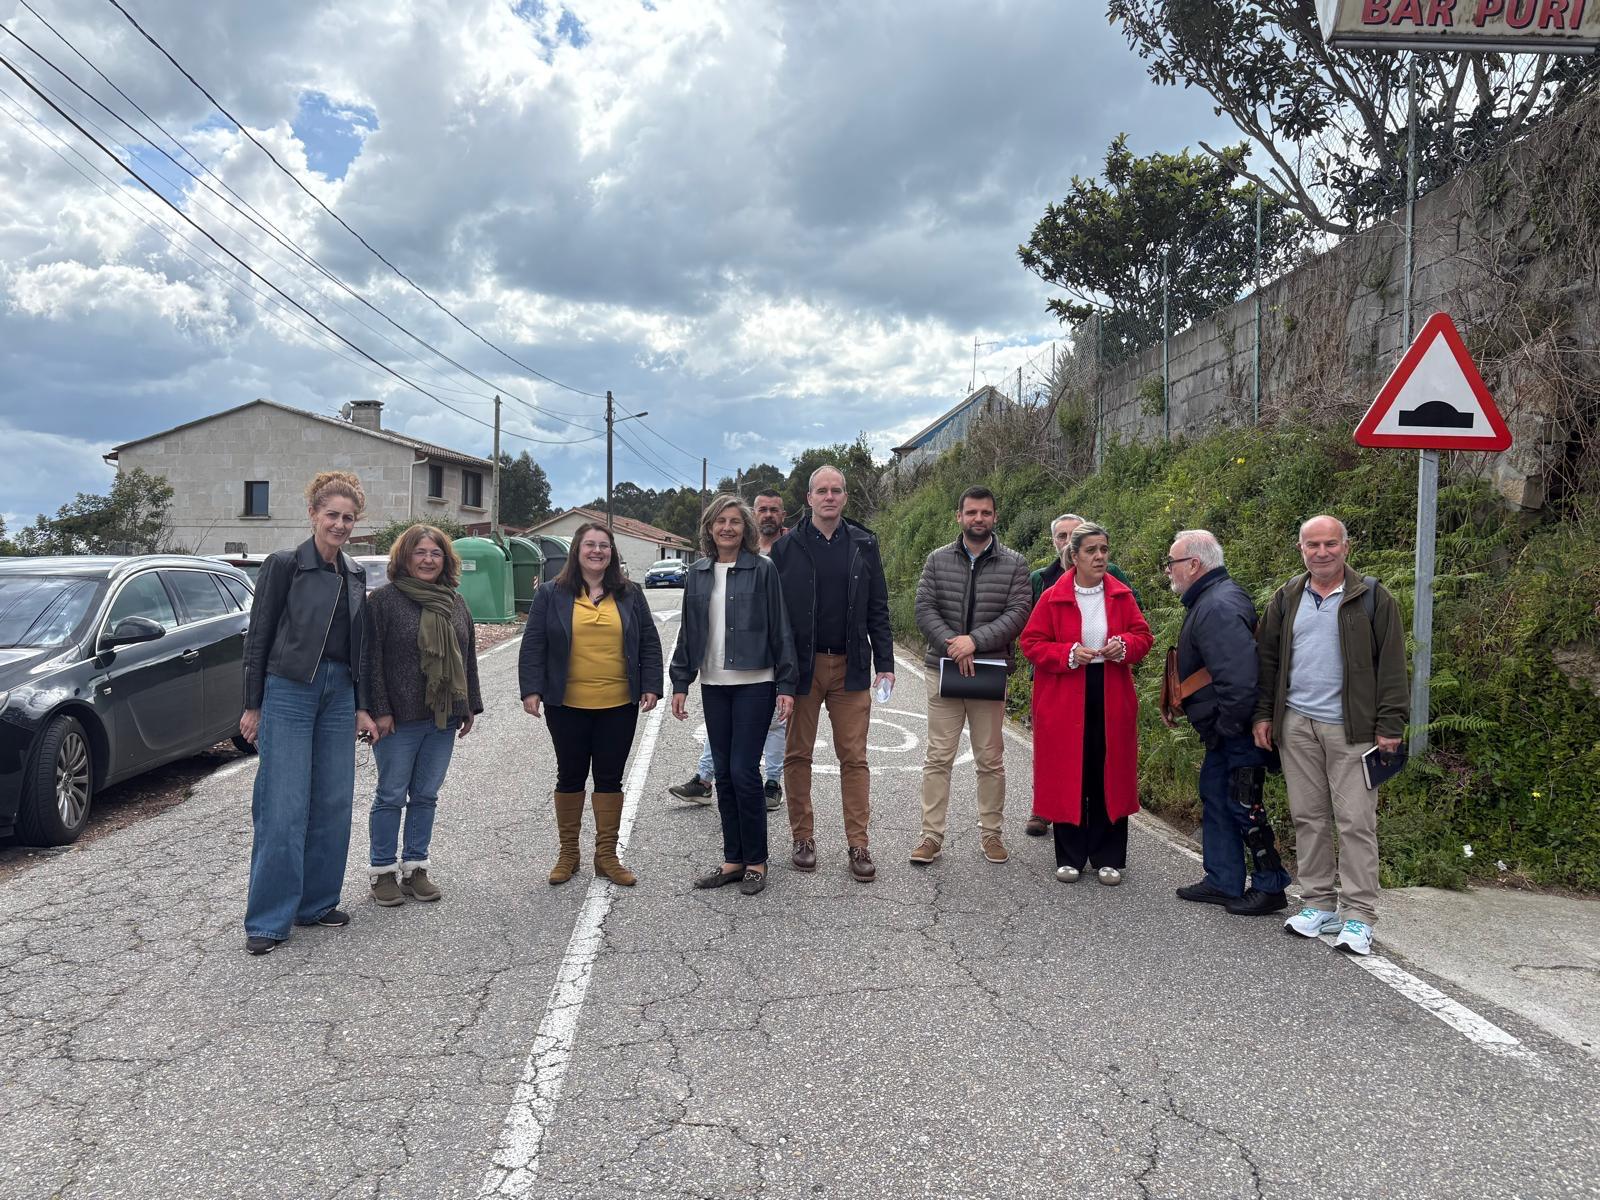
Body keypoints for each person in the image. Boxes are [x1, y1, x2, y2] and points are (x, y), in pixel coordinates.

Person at [1253, 515, 1408, 956]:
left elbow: (1393, 667)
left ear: (1346, 547)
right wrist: (1264, 716)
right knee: (1308, 817)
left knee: (1356, 822)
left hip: (1354, 729)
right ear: (1301, 549)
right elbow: (1268, 664)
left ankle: (1359, 915)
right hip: (1297, 725)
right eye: (1313, 545)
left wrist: (1390, 726)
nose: (1322, 552)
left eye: (1330, 544)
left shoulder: (1374, 599)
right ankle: (1318, 903)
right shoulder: (1287, 598)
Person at [240, 470, 376, 956]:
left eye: (348, 518)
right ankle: (269, 918)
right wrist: (252, 705)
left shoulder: (356, 574)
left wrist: (363, 706)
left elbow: (359, 649)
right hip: (289, 690)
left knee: (334, 801)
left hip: (340, 693)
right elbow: (258, 639)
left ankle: (317, 903)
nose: (340, 524)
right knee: (283, 805)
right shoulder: (284, 566)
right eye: (332, 515)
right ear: (313, 515)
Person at [769, 465, 895, 882]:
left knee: (854, 759)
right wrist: (778, 672)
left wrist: (886, 665)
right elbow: (777, 617)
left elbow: (878, 606)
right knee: (797, 755)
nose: (829, 497)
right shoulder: (786, 550)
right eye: (821, 490)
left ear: (844, 497)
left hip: (850, 667)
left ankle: (858, 844)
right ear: (808, 499)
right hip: (801, 669)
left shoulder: (864, 543)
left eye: (836, 490)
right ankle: (802, 838)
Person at [520, 521, 663, 888]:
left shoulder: (630, 593)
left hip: (618, 703)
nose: (597, 551)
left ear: (612, 553)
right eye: (590, 545)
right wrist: (531, 689)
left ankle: (607, 856)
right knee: (569, 775)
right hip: (566, 704)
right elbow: (534, 643)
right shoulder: (552, 593)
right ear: (577, 551)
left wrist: (651, 684)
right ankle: (568, 854)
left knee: (609, 777)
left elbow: (648, 639)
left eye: (604, 546)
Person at [670, 495, 798, 895]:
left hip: (755, 683)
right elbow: (689, 631)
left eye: (735, 522)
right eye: (720, 521)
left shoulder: (763, 569)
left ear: (746, 528)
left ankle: (757, 860)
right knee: (723, 774)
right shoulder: (698, 572)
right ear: (709, 528)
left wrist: (787, 685)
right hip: (714, 684)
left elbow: (781, 628)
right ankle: (733, 860)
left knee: (744, 772)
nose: (727, 527)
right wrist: (680, 682)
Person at [1164, 530, 1291, 916]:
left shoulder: (1217, 606)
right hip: (1226, 730)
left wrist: (1228, 727)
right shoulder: (1212, 599)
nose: (1169, 571)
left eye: (1172, 564)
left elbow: (1238, 679)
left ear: (1194, 565)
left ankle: (1271, 886)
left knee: (1243, 804)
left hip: (1235, 730)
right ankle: (1223, 880)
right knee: (1217, 796)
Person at [1020, 522, 1152, 886]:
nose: (1099, 557)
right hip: (1065, 694)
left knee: (1106, 771)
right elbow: (1031, 643)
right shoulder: (1052, 597)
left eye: (1104, 550)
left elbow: (1143, 637)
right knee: (1070, 771)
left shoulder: (1121, 595)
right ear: (1073, 556)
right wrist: (1068, 653)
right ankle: (1071, 855)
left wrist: (1123, 645)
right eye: (1091, 550)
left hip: (1109, 691)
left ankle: (1108, 856)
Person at [359, 524, 483, 907]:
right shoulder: (383, 601)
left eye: (435, 553)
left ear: (445, 560)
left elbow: (467, 656)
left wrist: (469, 705)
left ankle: (415, 867)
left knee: (426, 795)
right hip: (397, 718)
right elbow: (371, 661)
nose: (428, 560)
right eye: (420, 552)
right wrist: (380, 710)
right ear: (405, 557)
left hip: (442, 717)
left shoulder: (454, 601)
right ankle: (382, 872)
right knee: (391, 795)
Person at [909, 486, 1031, 866]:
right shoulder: (936, 560)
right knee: (938, 756)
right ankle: (930, 836)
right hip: (943, 668)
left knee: (990, 758)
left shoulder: (1015, 564)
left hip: (989, 670)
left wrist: (973, 642)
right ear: (959, 516)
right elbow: (924, 607)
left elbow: (1018, 613)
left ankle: (992, 835)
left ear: (995, 517)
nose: (978, 518)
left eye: (985, 513)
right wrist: (953, 644)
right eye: (971, 512)